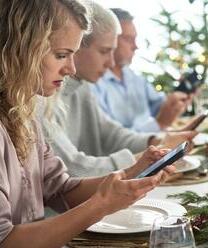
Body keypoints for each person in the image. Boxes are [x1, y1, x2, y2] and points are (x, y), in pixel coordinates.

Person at [0, 1, 175, 247]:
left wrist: (132, 173)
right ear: (19, 49)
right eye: (61, 55)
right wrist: (101, 205)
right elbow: (5, 240)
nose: (71, 69)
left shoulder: (24, 115)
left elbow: (62, 189)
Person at [41, 3, 197, 177]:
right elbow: (71, 167)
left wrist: (156, 141)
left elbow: (111, 134)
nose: (111, 63)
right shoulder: (42, 95)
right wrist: (141, 161)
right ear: (77, 47)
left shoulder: (81, 87)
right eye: (104, 51)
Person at [90, 8, 191, 133]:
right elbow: (109, 140)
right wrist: (159, 123)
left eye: (135, 39)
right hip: (137, 149)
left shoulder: (135, 78)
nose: (135, 46)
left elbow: (159, 106)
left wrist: (177, 101)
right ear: (111, 40)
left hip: (153, 144)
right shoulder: (93, 84)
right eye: (128, 39)